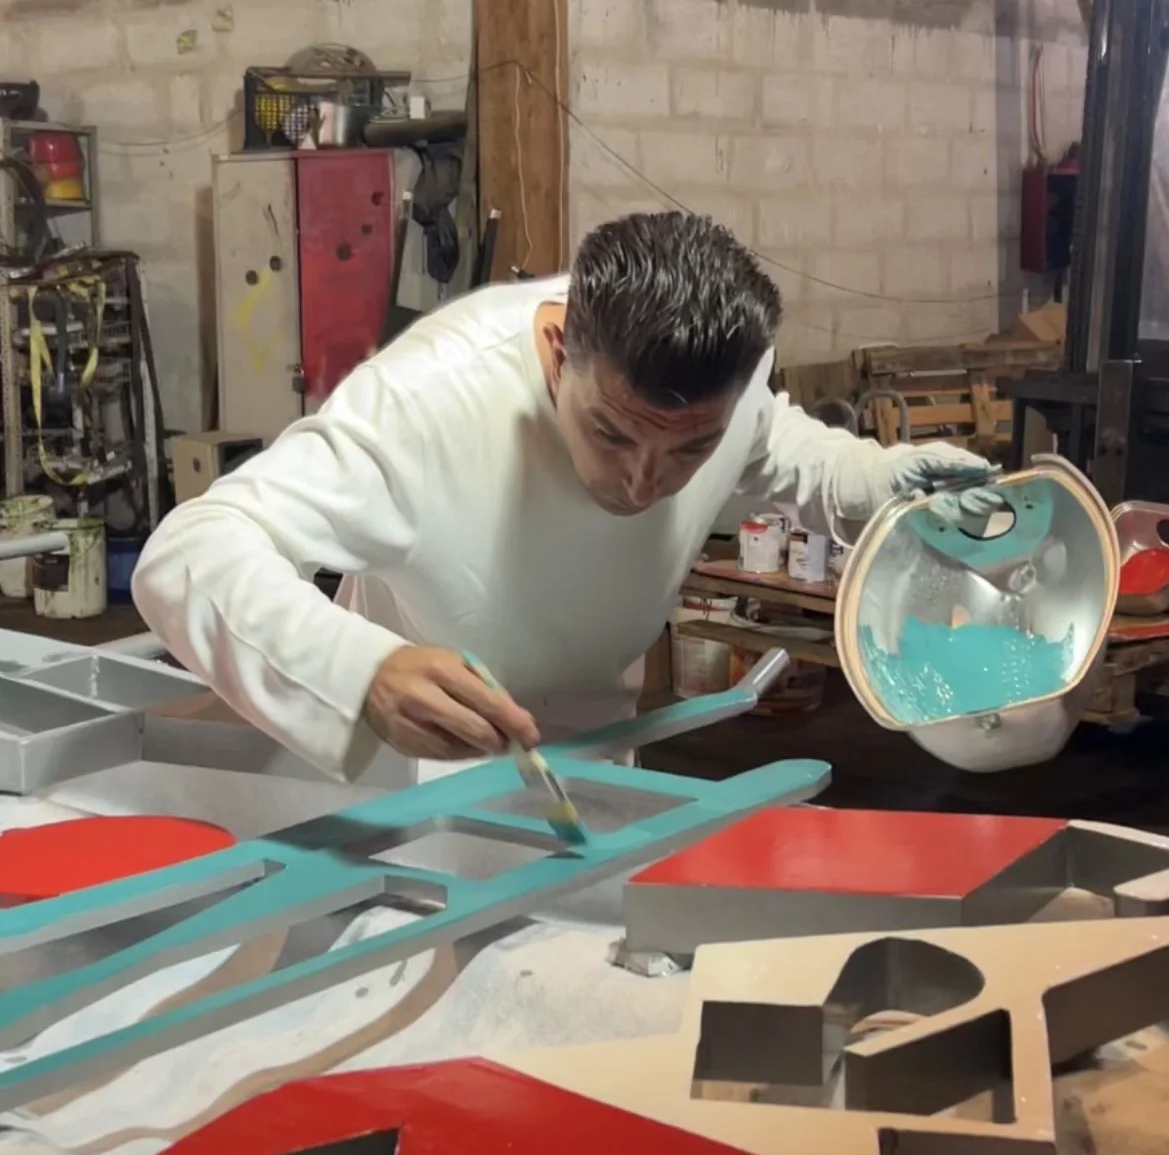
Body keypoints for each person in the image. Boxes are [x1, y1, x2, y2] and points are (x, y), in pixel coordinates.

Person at [133, 212, 994, 784]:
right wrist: (360, 673)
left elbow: (776, 445)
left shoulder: (729, 389)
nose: (644, 482)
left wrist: (868, 478)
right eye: (612, 434)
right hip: (423, 772)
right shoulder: (422, 405)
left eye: (689, 449)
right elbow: (193, 548)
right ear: (554, 354)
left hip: (600, 753)